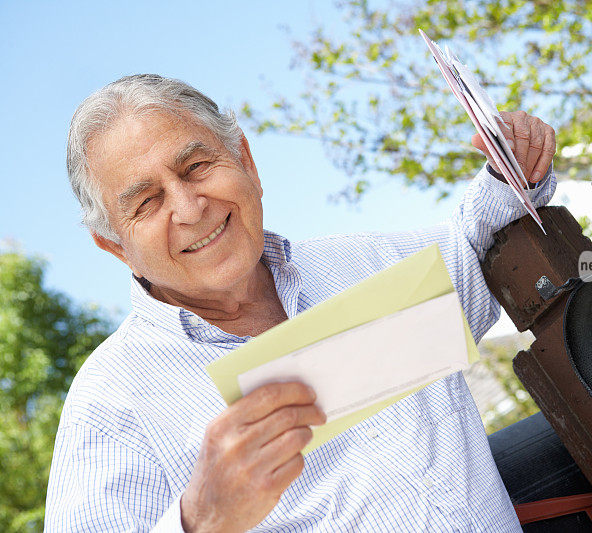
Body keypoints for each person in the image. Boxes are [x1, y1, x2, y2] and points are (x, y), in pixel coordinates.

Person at [45, 74, 557, 532]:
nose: (188, 207)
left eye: (197, 167)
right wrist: (200, 521)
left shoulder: (369, 265)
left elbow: (479, 239)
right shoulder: (110, 404)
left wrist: (515, 163)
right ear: (115, 246)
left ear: (245, 160)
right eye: (146, 203)